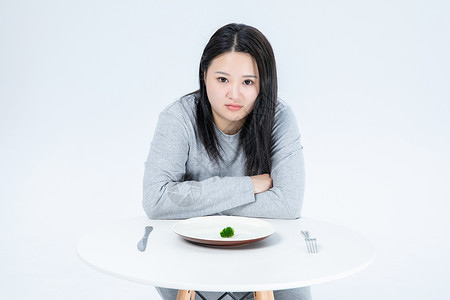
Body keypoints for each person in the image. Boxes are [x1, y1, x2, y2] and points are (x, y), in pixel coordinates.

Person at [143, 23, 311, 300]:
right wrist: (248, 186)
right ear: (204, 76)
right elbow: (156, 200)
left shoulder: (280, 118)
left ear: (263, 84)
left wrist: (194, 202)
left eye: (248, 82)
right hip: (190, 255)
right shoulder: (178, 118)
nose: (234, 94)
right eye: (222, 80)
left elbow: (288, 204)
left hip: (266, 254)